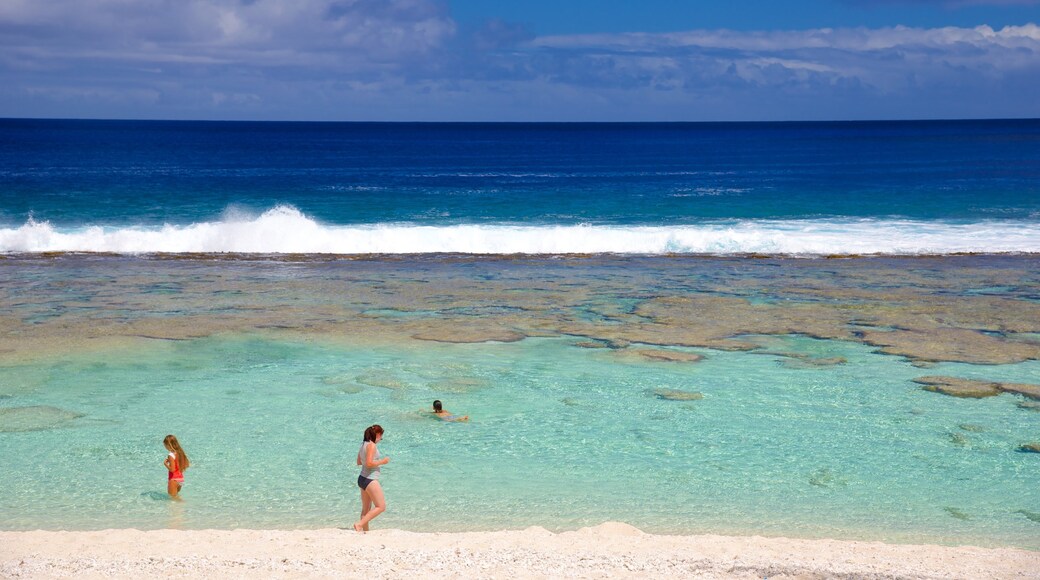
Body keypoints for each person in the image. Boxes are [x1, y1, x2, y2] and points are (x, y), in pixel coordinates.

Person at [354, 424, 390, 532]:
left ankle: (365, 532)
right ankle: (359, 524)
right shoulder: (372, 445)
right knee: (381, 506)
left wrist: (369, 461)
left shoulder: (363, 444)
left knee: (366, 509)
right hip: (370, 479)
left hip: (362, 478)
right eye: (381, 437)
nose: (380, 439)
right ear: (377, 434)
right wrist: (383, 461)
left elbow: (359, 462)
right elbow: (369, 463)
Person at [163, 434, 190, 501]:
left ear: (168, 445)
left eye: (165, 445)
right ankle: (182, 510)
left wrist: (165, 464)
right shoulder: (180, 453)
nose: (165, 447)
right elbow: (185, 465)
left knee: (173, 499)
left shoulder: (171, 455)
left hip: (173, 479)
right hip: (180, 479)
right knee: (176, 498)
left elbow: (172, 470)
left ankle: (183, 508)